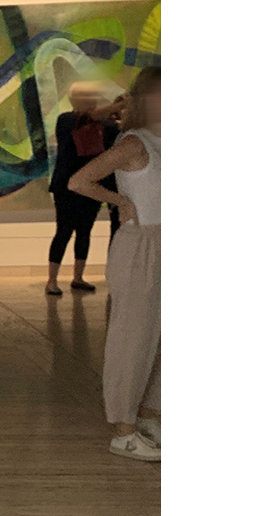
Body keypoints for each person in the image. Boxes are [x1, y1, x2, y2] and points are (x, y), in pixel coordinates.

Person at [67, 67, 161, 460]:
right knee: (133, 338)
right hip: (141, 246)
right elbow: (79, 181)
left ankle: (148, 415)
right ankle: (124, 430)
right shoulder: (135, 143)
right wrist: (121, 201)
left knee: (161, 338)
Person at [45, 82, 121, 296]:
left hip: (91, 186)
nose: (93, 101)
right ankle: (52, 280)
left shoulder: (102, 125)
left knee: (85, 231)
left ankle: (78, 277)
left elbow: (115, 126)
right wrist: (117, 106)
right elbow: (89, 118)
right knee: (64, 231)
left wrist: (119, 111)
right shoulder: (66, 119)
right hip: (67, 186)